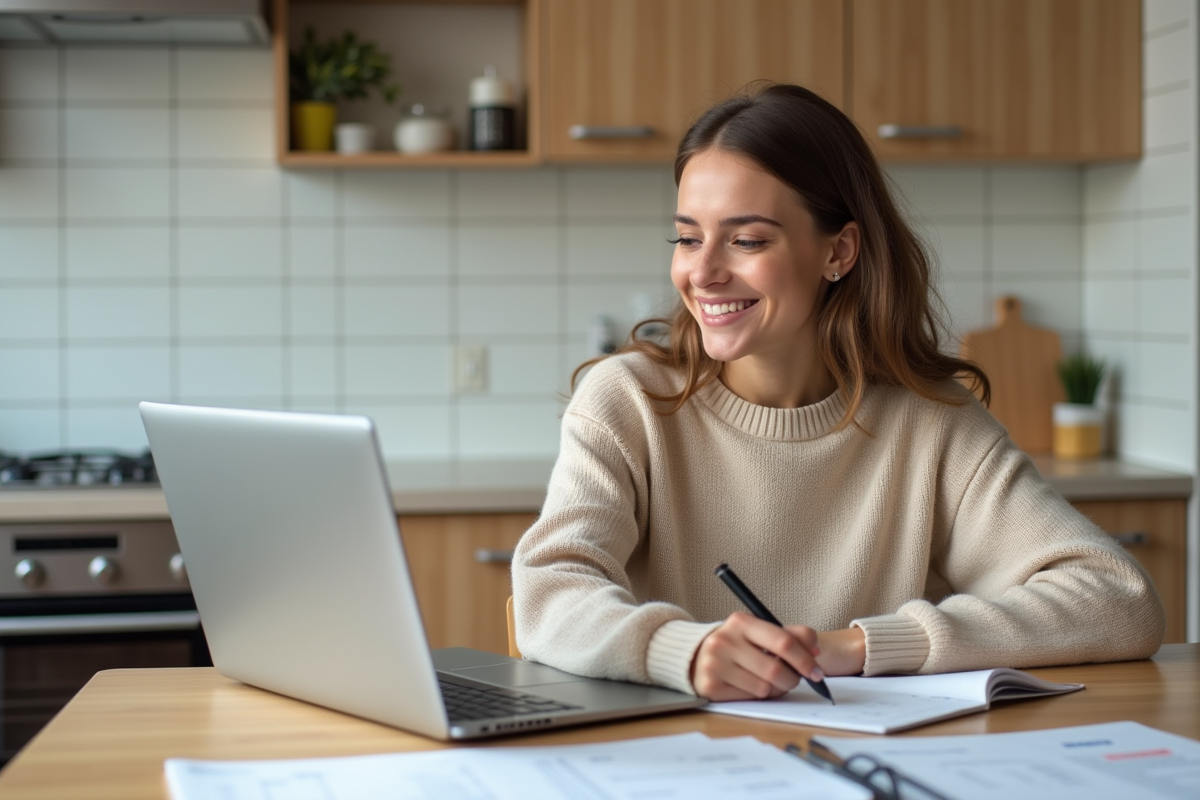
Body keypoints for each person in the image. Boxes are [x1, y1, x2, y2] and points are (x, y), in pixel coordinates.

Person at [511, 83, 1165, 701]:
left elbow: (1119, 599)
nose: (702, 271)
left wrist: (863, 646)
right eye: (687, 237)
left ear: (839, 252)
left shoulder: (931, 421)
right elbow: (550, 592)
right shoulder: (626, 401)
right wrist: (682, 650)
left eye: (745, 240)